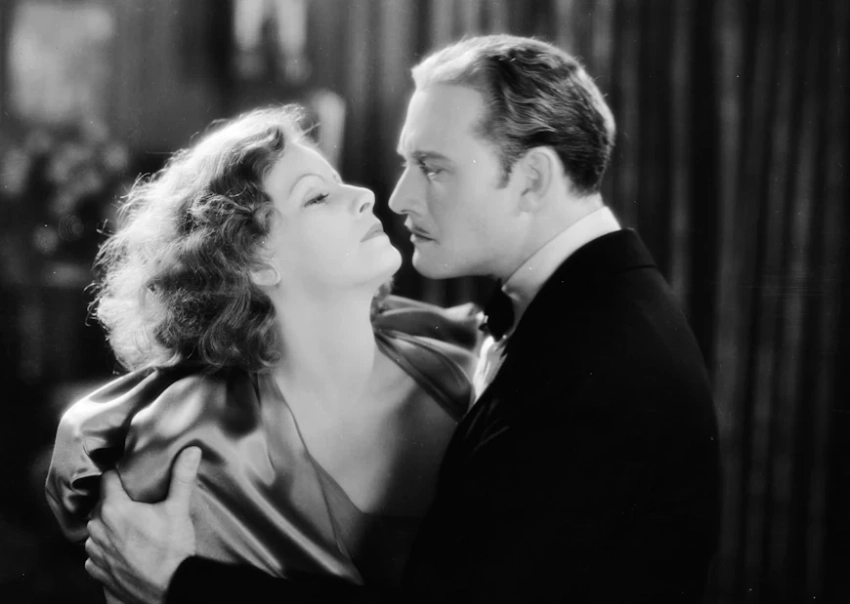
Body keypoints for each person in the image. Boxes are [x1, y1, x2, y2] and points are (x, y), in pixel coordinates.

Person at [80, 34, 721, 603]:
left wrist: (182, 585)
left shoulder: (588, 365)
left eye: (433, 167)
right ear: (250, 259)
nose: (390, 197)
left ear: (531, 180)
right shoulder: (573, 317)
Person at [45, 105, 482, 601]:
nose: (364, 195)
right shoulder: (191, 447)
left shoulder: (466, 361)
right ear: (252, 261)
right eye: (318, 196)